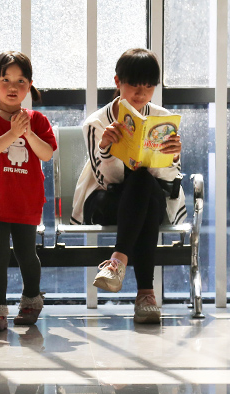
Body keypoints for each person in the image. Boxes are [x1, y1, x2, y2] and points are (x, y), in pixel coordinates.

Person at [72, 49, 185, 324]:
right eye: (134, 84)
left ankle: (117, 262)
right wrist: (106, 148)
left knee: (145, 182)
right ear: (118, 82)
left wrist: (171, 157)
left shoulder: (161, 120)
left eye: (149, 86)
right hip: (106, 200)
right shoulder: (97, 123)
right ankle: (146, 295)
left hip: (148, 199)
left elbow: (168, 180)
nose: (141, 93)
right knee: (143, 190)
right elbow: (106, 181)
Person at [0, 52, 56, 331]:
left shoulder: (38, 120)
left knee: (26, 254)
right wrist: (11, 133)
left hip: (26, 201)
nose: (12, 87)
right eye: (5, 80)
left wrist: (27, 132)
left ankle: (31, 301)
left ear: (29, 85)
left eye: (20, 81)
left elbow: (46, 154)